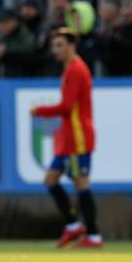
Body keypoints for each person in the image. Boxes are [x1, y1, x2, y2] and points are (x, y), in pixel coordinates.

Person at [31, 28, 102, 248]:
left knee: (81, 184)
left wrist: (39, 110)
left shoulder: (76, 70)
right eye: (54, 46)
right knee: (50, 180)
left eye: (60, 45)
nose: (55, 50)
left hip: (78, 138)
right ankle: (73, 226)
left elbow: (67, 106)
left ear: (72, 46)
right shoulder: (70, 69)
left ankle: (93, 235)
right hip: (68, 137)